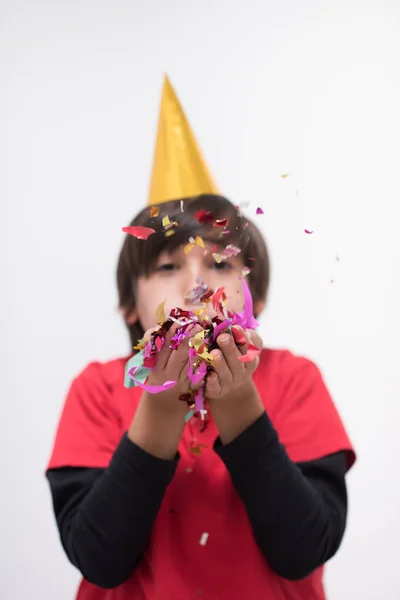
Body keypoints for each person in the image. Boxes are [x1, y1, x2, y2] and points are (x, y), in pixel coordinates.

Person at [46, 78, 355, 600]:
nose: (196, 283)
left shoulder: (297, 380)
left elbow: (305, 550)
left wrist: (237, 402)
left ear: (250, 291)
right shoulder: (97, 390)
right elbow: (100, 560)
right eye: (168, 265)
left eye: (219, 262)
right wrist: (164, 406)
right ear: (129, 303)